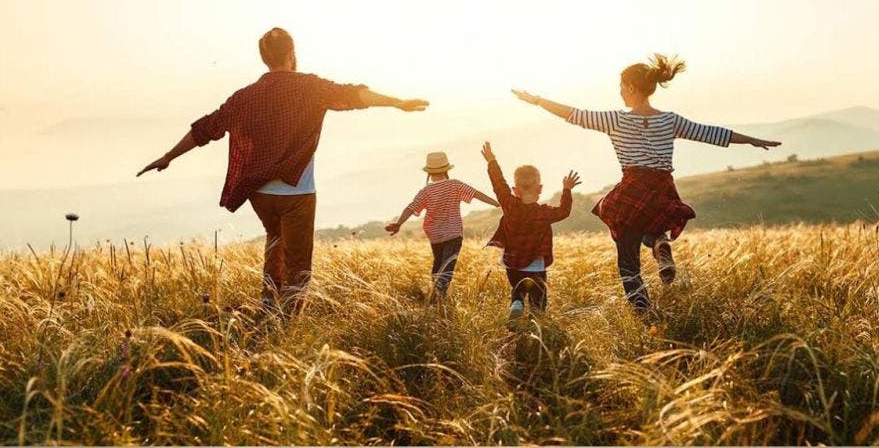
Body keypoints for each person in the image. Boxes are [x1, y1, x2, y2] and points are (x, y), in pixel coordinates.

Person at [137, 27, 429, 316]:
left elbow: (206, 129)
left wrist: (168, 156)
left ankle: (268, 302)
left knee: (274, 239)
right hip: (297, 193)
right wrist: (397, 103)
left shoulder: (244, 97)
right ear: (291, 54)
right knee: (298, 262)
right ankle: (287, 320)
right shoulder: (310, 87)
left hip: (259, 194)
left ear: (265, 58)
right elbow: (354, 95)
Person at [511, 54, 780, 311]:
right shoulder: (670, 120)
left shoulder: (616, 119)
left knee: (628, 262)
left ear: (630, 86)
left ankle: (643, 311)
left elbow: (573, 114)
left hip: (633, 189)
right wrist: (753, 140)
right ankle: (660, 245)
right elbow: (711, 133)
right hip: (662, 188)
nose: (619, 92)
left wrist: (537, 101)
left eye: (620, 86)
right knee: (652, 225)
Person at [480, 142, 580, 321]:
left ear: (514, 190)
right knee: (538, 297)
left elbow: (498, 183)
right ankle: (536, 322)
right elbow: (564, 211)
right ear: (540, 189)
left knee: (518, 287)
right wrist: (567, 190)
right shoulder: (544, 213)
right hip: (536, 264)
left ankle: (517, 300)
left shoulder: (509, 205)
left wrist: (492, 161)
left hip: (512, 262)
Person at [385, 152, 499, 299]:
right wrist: (496, 203)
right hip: (453, 234)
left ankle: (435, 296)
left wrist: (399, 223)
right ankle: (438, 298)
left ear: (429, 172)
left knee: (438, 266)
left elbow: (411, 208)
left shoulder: (425, 191)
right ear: (446, 170)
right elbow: (475, 194)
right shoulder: (455, 184)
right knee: (447, 268)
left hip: (435, 236)